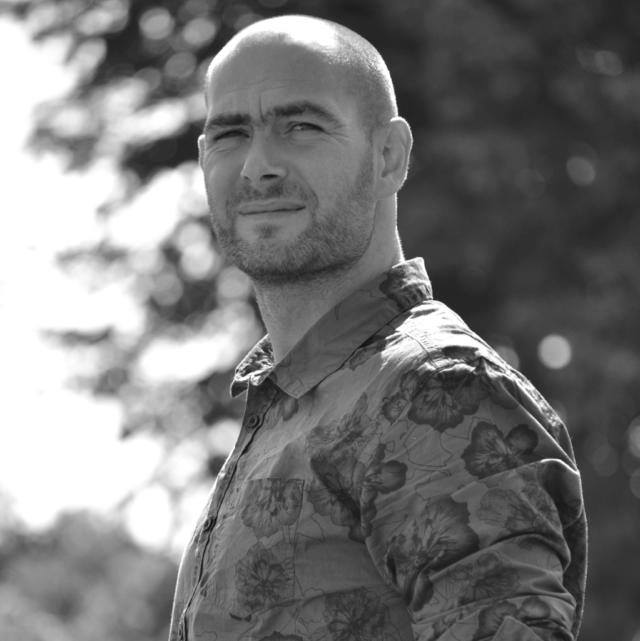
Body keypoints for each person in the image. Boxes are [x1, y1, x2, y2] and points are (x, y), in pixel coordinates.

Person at [168, 14, 587, 641]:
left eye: (301, 126)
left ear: (389, 156)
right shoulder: (297, 400)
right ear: (205, 159)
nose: (257, 167)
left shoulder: (433, 388)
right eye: (231, 134)